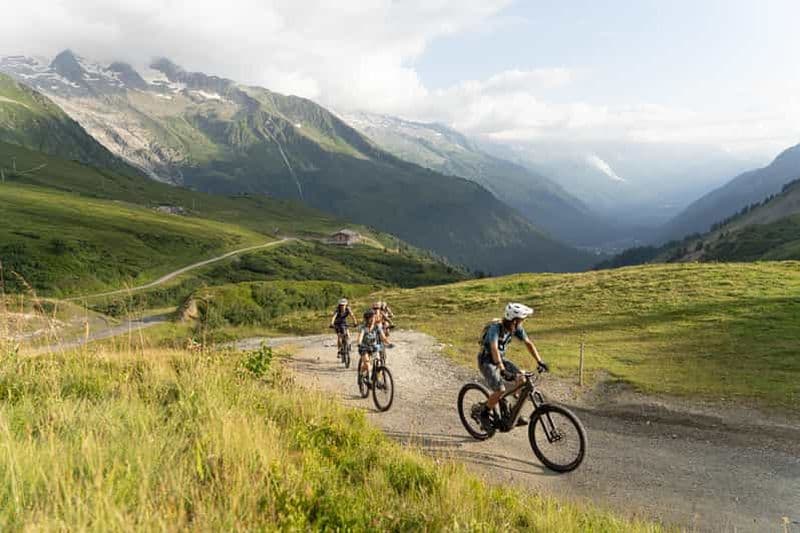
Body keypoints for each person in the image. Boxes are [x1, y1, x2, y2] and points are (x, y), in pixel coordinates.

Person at [476, 302, 548, 430]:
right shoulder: (495, 328)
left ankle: (512, 413)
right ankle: (484, 414)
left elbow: (528, 343)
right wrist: (502, 369)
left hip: (500, 359)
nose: (523, 322)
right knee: (500, 390)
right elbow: (494, 348)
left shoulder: (516, 328)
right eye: (522, 320)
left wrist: (540, 361)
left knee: (522, 380)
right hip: (486, 360)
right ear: (514, 320)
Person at [356, 309, 388, 387]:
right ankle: (361, 375)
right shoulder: (363, 327)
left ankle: (378, 379)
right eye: (373, 317)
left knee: (378, 362)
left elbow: (383, 337)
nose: (374, 318)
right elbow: (360, 337)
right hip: (364, 348)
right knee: (367, 363)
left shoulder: (377, 326)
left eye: (374, 317)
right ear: (368, 319)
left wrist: (389, 343)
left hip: (374, 347)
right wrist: (359, 343)